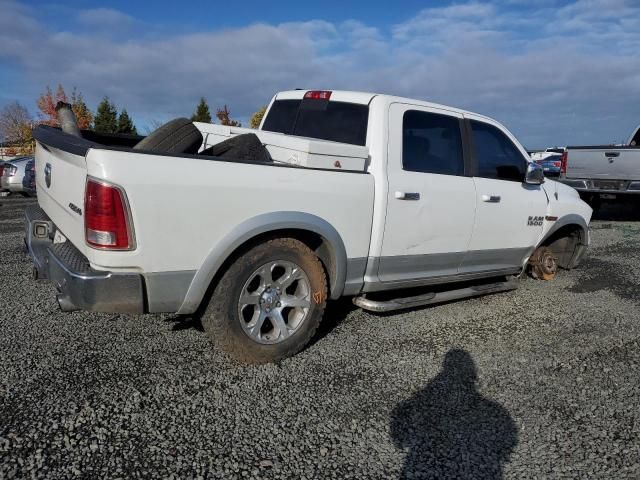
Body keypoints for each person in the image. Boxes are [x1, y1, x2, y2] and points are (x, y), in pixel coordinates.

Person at [391, 349, 518, 479]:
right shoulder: (493, 410)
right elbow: (508, 441)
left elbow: (399, 431)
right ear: (471, 373)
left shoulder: (420, 402)